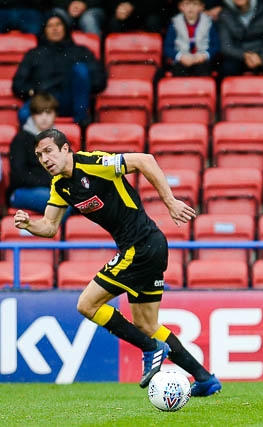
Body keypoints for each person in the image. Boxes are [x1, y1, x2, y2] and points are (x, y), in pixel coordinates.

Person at [13, 128, 221, 397]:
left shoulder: (94, 163)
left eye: (49, 151)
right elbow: (50, 226)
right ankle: (205, 379)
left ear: (66, 149)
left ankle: (151, 348)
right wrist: (30, 225)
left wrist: (169, 201)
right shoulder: (60, 187)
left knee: (87, 304)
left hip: (142, 246)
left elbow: (145, 160)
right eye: (39, 155)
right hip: (147, 247)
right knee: (147, 325)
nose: (44, 159)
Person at [12, 11, 106, 126]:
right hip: (44, 100)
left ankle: (81, 123)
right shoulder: (33, 54)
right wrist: (34, 91)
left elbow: (99, 80)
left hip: (71, 100)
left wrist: (81, 87)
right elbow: (18, 85)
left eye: (58, 25)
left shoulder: (80, 51)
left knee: (80, 70)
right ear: (44, 30)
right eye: (50, 26)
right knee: (24, 114)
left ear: (65, 28)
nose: (55, 29)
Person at [8, 93, 65, 215]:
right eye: (39, 113)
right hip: (22, 192)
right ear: (33, 115)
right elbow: (19, 176)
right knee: (62, 202)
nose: (44, 117)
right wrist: (49, 182)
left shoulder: (60, 140)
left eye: (48, 113)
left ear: (55, 115)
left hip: (51, 190)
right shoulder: (20, 139)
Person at [217, 0, 263, 79]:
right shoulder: (225, 14)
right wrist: (244, 56)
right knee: (226, 69)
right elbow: (225, 45)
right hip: (238, 55)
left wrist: (262, 58)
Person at [163, 0, 220, 77]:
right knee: (178, 71)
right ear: (180, 7)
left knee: (204, 70)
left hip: (201, 59)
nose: (191, 7)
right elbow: (168, 47)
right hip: (182, 59)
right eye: (187, 4)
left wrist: (205, 55)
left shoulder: (208, 22)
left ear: (201, 7)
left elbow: (215, 45)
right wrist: (180, 56)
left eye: (195, 4)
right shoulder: (175, 22)